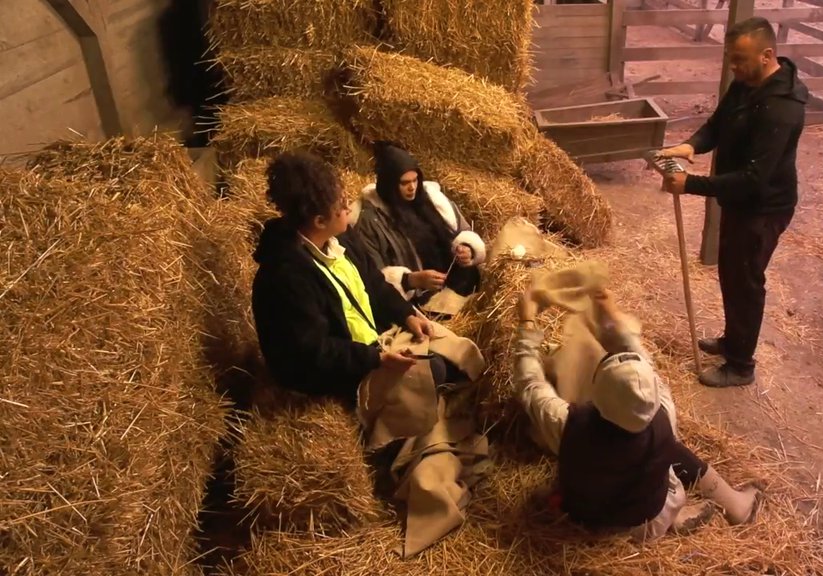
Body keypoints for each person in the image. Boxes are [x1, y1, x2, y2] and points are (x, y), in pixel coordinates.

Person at [514, 286, 762, 542]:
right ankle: (733, 505)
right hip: (648, 518)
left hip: (583, 517)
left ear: (597, 389)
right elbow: (646, 365)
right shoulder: (664, 410)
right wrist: (611, 314)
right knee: (669, 450)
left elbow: (530, 384)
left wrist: (527, 323)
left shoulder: (567, 424)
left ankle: (683, 515)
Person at [657, 16, 808, 388]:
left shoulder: (782, 108)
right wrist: (691, 145)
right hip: (740, 201)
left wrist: (689, 184)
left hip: (763, 207)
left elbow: (755, 179)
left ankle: (741, 365)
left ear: (766, 55)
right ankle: (732, 339)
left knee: (745, 280)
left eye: (739, 60)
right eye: (731, 59)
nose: (733, 67)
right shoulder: (746, 82)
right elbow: (716, 124)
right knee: (731, 270)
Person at [250, 150, 438, 404]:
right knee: (435, 373)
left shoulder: (343, 237)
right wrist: (375, 359)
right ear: (319, 220)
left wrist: (406, 314)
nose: (349, 208)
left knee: (450, 356)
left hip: (372, 340)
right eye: (341, 205)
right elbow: (313, 350)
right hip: (334, 370)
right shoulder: (286, 275)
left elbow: (374, 283)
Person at [350, 141, 486, 306]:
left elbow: (464, 230)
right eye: (405, 183)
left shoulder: (433, 199)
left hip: (460, 282)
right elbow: (373, 277)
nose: (412, 188)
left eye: (415, 180)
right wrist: (410, 280)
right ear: (389, 184)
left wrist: (467, 249)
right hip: (424, 301)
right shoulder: (372, 222)